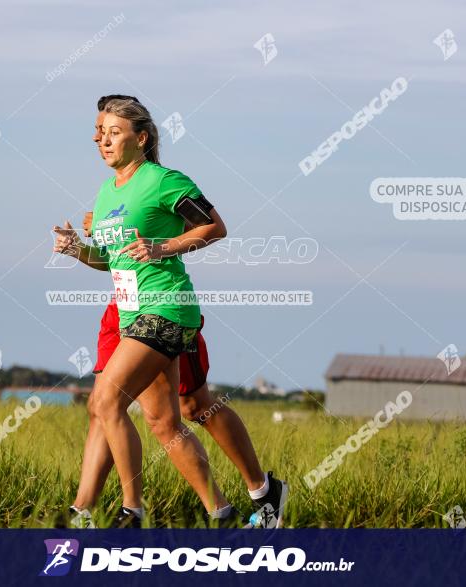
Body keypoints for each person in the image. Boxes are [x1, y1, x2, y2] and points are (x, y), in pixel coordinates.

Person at [64, 95, 288, 530]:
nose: (100, 139)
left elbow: (214, 227)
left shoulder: (165, 181)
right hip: (133, 315)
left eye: (112, 131)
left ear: (141, 138)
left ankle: (132, 512)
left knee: (107, 399)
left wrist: (162, 246)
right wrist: (76, 248)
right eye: (98, 131)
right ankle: (221, 517)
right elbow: (113, 260)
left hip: (167, 308)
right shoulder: (108, 191)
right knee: (162, 419)